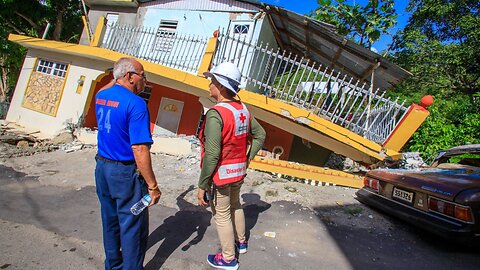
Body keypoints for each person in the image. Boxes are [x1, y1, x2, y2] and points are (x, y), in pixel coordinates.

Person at [197, 62, 266, 270]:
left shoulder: (216, 113)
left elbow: (212, 154)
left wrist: (202, 184)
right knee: (236, 205)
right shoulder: (242, 109)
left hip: (221, 174)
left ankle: (228, 258)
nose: (210, 85)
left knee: (221, 214)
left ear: (221, 85)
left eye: (213, 81)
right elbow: (260, 134)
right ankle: (241, 242)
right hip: (238, 171)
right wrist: (247, 159)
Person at [95, 57, 161, 270]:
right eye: (143, 76)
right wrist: (152, 185)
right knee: (132, 225)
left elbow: (109, 86)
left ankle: (112, 266)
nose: (145, 81)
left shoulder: (102, 96)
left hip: (103, 169)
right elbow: (140, 149)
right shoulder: (136, 104)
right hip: (125, 174)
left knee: (110, 221)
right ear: (130, 77)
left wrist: (115, 76)